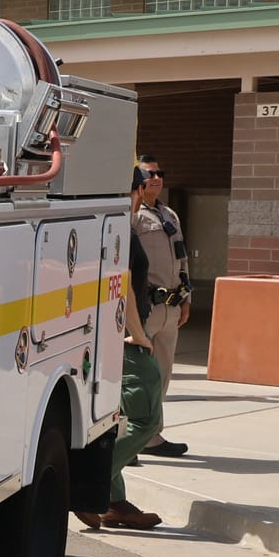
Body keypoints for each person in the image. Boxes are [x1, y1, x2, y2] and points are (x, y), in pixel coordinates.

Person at [74, 177, 166, 531]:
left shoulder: (110, 225)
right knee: (146, 421)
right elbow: (122, 283)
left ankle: (114, 502)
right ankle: (88, 488)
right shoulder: (119, 228)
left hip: (113, 337)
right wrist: (139, 335)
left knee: (116, 421)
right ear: (138, 192)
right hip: (126, 339)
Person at [132, 156, 192, 456]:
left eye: (160, 172)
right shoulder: (133, 214)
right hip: (145, 306)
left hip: (170, 305)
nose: (156, 177)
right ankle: (130, 438)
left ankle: (152, 437)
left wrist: (186, 298)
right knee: (137, 376)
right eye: (149, 173)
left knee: (163, 374)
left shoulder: (169, 214)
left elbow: (182, 259)